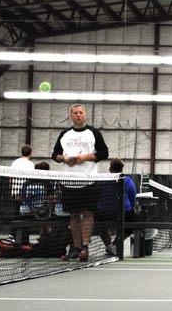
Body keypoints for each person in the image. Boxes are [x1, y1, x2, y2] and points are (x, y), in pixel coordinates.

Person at [52, 104, 109, 262]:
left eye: (81, 112)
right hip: (68, 183)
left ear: (85, 115)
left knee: (88, 215)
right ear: (70, 116)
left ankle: (85, 246)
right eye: (75, 113)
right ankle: (76, 248)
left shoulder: (94, 133)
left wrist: (83, 158)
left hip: (89, 182)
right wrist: (63, 159)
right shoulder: (64, 134)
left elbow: (104, 153)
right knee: (74, 216)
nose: (78, 115)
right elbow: (55, 154)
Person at [96, 158, 137, 256]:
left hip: (105, 213)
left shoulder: (103, 180)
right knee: (133, 223)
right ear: (121, 169)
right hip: (123, 213)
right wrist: (131, 208)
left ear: (110, 169)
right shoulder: (128, 181)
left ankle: (110, 246)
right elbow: (133, 198)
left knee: (102, 226)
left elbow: (97, 195)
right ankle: (114, 245)